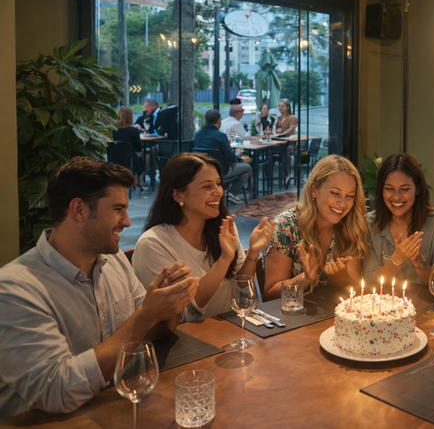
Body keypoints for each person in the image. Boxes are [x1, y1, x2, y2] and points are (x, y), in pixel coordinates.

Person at [0, 157, 199, 418]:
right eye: (118, 209)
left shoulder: (113, 261)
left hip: (115, 409)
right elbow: (56, 391)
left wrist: (168, 300)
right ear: (78, 210)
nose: (127, 221)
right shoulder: (14, 289)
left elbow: (154, 331)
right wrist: (147, 314)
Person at [133, 153, 275, 322]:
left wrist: (252, 254)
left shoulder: (223, 228)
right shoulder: (154, 244)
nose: (219, 192)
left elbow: (241, 292)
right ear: (178, 195)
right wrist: (224, 260)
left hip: (229, 333)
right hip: (187, 344)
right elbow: (183, 316)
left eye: (218, 184)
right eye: (207, 187)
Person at [263, 155, 368, 299]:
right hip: (290, 317)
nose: (343, 204)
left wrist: (337, 275)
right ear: (314, 189)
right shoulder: (286, 226)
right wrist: (304, 279)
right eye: (335, 193)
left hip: (331, 317)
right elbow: (270, 293)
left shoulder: (351, 224)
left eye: (350, 196)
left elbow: (353, 285)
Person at [363, 153, 434, 285]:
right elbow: (370, 281)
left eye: (404, 189)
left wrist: (417, 260)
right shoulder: (369, 224)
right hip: (384, 304)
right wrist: (398, 258)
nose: (396, 196)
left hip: (427, 305)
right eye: (389, 189)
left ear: (417, 189)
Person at [194, 109, 252, 205]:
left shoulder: (198, 134)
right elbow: (231, 158)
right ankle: (232, 193)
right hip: (221, 171)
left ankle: (223, 192)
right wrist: (237, 154)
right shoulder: (220, 136)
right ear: (218, 121)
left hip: (202, 170)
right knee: (247, 167)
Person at [112, 105, 145, 188]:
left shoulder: (112, 130)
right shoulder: (133, 131)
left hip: (113, 159)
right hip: (129, 159)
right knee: (141, 156)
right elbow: (139, 148)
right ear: (130, 117)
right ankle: (137, 179)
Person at [275, 98, 299, 186]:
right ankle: (269, 176)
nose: (280, 108)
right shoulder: (279, 118)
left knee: (287, 150)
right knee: (269, 150)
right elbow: (276, 129)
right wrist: (278, 130)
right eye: (279, 106)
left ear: (287, 107)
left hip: (290, 142)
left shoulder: (293, 117)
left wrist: (282, 133)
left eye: (282, 106)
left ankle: (287, 174)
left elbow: (292, 129)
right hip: (280, 142)